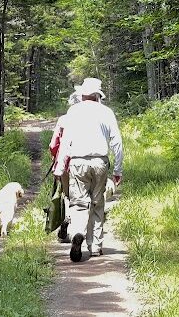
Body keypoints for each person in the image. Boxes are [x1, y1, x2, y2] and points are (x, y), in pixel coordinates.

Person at [54, 78, 123, 262]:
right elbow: (117, 142)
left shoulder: (73, 111)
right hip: (100, 161)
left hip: (78, 161)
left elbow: (66, 142)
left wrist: (60, 167)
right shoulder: (107, 112)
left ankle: (78, 233)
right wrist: (118, 169)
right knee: (97, 202)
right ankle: (95, 246)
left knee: (79, 203)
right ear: (98, 95)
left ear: (82, 94)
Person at [49, 89, 81, 241]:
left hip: (65, 162)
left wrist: (55, 158)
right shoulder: (87, 120)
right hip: (84, 160)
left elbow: (54, 144)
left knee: (67, 195)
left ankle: (67, 218)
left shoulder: (63, 120)